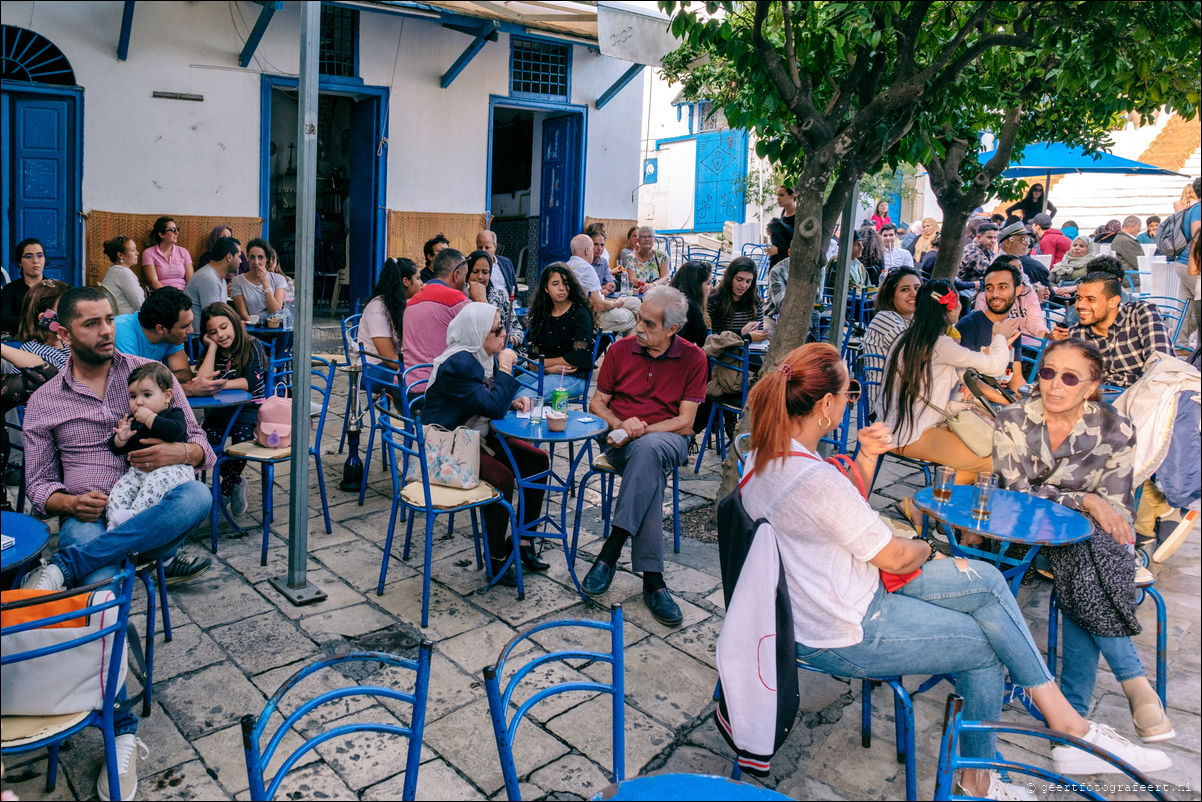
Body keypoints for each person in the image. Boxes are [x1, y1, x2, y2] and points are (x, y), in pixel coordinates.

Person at [739, 343, 1170, 800]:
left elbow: (841, 510)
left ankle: (1066, 728)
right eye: (850, 392)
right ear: (826, 406)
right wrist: (930, 546)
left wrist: (866, 459)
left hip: (827, 598)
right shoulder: (814, 479)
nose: (852, 399)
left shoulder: (766, 456)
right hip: (842, 627)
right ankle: (984, 780)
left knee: (984, 578)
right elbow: (895, 556)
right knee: (985, 646)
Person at [20, 286, 215, 802]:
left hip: (151, 508)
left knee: (196, 495)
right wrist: (67, 502)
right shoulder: (45, 401)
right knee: (103, 596)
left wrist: (180, 449)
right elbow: (37, 487)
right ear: (63, 332)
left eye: (110, 320)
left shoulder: (150, 375)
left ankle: (70, 566)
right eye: (91, 324)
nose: (106, 331)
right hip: (92, 514)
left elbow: (203, 448)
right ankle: (122, 732)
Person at [994, 338, 1175, 743]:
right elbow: (1017, 494)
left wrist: (1091, 507)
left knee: (1083, 555)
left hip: (1089, 544)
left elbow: (1118, 505)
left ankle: (1074, 715)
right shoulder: (1012, 419)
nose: (1055, 385)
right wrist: (1084, 500)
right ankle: (1133, 684)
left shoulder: (1115, 427)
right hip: (1025, 536)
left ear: (1091, 386)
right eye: (1047, 372)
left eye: (1070, 377)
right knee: (1087, 549)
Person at [581, 286, 707, 626]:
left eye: (648, 324)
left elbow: (686, 421)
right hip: (619, 438)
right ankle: (653, 582)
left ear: (672, 329)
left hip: (667, 438)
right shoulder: (620, 350)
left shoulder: (694, 358)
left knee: (649, 452)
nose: (638, 328)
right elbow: (597, 403)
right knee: (647, 468)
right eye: (639, 319)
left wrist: (643, 429)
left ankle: (612, 547)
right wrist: (621, 424)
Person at [422, 303, 550, 582]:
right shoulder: (458, 364)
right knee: (502, 479)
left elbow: (489, 400)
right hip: (445, 449)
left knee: (537, 462)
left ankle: (523, 542)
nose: (504, 334)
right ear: (477, 332)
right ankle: (497, 560)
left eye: (503, 326)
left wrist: (512, 401)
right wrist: (505, 368)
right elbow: (491, 406)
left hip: (477, 440)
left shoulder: (482, 357)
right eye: (497, 329)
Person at [879, 280, 1017, 484]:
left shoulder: (906, 337)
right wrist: (999, 337)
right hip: (913, 435)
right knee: (997, 461)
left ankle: (921, 506)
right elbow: (996, 367)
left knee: (981, 455)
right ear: (951, 307)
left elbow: (964, 367)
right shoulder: (940, 344)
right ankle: (920, 505)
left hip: (896, 427)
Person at [105, 361, 196, 529]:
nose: (138, 402)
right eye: (133, 396)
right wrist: (121, 439)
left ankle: (134, 519)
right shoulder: (134, 422)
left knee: (155, 482)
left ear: (167, 396)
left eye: (146, 395)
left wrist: (149, 418)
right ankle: (114, 523)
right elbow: (117, 449)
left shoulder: (172, 414)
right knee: (120, 489)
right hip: (139, 472)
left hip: (171, 470)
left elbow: (174, 432)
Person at [197, 302, 268, 516]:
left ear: (235, 323)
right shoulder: (214, 350)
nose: (220, 334)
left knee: (241, 443)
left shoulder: (252, 345)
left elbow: (251, 383)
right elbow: (201, 380)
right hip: (218, 410)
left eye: (224, 327)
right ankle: (235, 483)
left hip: (247, 409)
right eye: (212, 332)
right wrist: (211, 347)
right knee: (206, 444)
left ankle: (223, 491)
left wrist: (220, 384)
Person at [1052, 271, 1172, 388]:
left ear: (1113, 302)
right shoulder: (1077, 334)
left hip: (1151, 398)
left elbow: (1162, 365)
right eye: (1078, 298)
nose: (1080, 305)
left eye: (1091, 299)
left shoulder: (1140, 314)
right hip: (1103, 403)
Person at [113, 288, 226, 397]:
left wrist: (151, 379)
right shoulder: (122, 331)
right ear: (161, 329)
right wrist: (191, 389)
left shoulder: (171, 335)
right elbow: (131, 387)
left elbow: (184, 374)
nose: (191, 330)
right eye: (185, 326)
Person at [403, 247, 482, 387]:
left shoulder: (412, 300)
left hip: (405, 388)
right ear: (456, 275)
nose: (466, 282)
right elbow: (489, 332)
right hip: (433, 391)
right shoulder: (454, 298)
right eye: (465, 276)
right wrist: (481, 298)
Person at [518, 263, 595, 401]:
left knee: (524, 398)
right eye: (555, 283)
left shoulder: (581, 313)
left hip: (573, 377)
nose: (561, 288)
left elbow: (577, 358)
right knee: (508, 391)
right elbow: (532, 359)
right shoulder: (542, 313)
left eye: (566, 283)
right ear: (546, 288)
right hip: (546, 372)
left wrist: (542, 364)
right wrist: (549, 369)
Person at [960, 260, 1027, 391]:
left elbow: (1016, 378)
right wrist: (1012, 404)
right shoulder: (968, 325)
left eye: (1002, 287)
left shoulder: (1012, 326)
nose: (995, 294)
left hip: (1005, 399)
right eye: (989, 288)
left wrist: (1028, 401)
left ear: (1017, 290)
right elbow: (969, 379)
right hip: (978, 402)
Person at [861, 268, 921, 408]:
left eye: (917, 288)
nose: (914, 294)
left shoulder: (911, 320)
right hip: (885, 407)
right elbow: (916, 355)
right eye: (905, 289)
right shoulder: (886, 318)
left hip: (904, 399)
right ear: (891, 296)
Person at [358, 257, 421, 383]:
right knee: (416, 382)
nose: (421, 282)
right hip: (371, 367)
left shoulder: (404, 303)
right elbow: (388, 358)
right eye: (418, 278)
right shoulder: (377, 309)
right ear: (406, 281)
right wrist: (416, 368)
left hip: (393, 363)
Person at [566, 234, 636, 336]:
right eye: (593, 246)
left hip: (577, 313)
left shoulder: (566, 266)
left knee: (634, 303)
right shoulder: (587, 268)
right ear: (587, 250)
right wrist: (615, 304)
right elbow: (598, 305)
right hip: (588, 316)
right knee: (632, 318)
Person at [970, 256, 1050, 340]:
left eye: (1020, 268)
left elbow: (1035, 321)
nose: (1019, 272)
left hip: (1027, 339)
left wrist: (1045, 334)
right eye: (1014, 268)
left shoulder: (1028, 292)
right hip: (998, 341)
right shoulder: (987, 296)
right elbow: (983, 327)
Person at [3, 280, 71, 371]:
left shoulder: (63, 343)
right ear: (44, 318)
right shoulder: (37, 353)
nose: (72, 316)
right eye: (64, 311)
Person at [466, 249, 522, 345]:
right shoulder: (462, 299)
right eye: (475, 271)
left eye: (485, 272)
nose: (480, 276)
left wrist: (511, 340)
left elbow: (516, 327)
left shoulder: (499, 296)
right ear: (467, 272)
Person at [1171, 176, 1201, 346]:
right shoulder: (1199, 209)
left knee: (1184, 308)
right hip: (1193, 264)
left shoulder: (1193, 208)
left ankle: (1179, 343)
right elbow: (1198, 234)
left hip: (1185, 263)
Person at [707, 256, 766, 342]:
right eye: (739, 280)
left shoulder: (755, 302)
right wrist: (743, 334)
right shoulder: (714, 301)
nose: (743, 285)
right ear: (730, 277)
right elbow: (711, 338)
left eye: (748, 281)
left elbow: (759, 334)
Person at [184, 236, 240, 325]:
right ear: (229, 256)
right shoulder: (208, 278)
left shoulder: (221, 280)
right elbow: (214, 320)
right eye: (239, 256)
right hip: (199, 337)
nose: (240, 261)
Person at [230, 238, 288, 321]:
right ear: (248, 259)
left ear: (267, 258)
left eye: (260, 257)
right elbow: (243, 313)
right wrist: (256, 327)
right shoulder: (238, 281)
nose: (256, 262)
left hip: (274, 327)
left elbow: (275, 311)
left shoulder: (278, 279)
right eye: (252, 257)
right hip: (251, 328)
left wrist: (265, 283)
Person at [2, 238, 46, 333]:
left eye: (40, 255)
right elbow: (3, 321)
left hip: (52, 342)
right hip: (19, 341)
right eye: (28, 256)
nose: (35, 261)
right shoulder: (10, 290)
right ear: (19, 263)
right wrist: (39, 321)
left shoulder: (55, 288)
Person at [142, 216, 193, 291]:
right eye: (173, 230)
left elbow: (191, 281)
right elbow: (152, 281)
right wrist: (169, 295)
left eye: (177, 229)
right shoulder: (149, 253)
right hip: (161, 294)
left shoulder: (183, 252)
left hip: (183, 294)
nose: (177, 233)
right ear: (161, 234)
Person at [670, 260, 713, 349]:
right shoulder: (690, 307)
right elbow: (704, 342)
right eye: (708, 283)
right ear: (696, 286)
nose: (711, 287)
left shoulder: (672, 297)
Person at [100, 236, 146, 315]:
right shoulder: (123, 273)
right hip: (128, 322)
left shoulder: (113, 271)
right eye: (133, 250)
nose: (137, 253)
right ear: (120, 255)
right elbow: (140, 305)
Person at [997, 222, 1050, 291]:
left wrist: (1036, 288)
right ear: (1008, 243)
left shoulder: (1015, 259)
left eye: (1028, 239)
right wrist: (1036, 290)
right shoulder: (1001, 263)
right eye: (1023, 240)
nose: (1028, 243)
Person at [476, 230, 517, 298]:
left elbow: (516, 292)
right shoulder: (473, 267)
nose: (483, 251)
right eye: (480, 247)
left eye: (487, 247)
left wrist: (516, 305)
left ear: (495, 247)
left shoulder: (506, 263)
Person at [767, 185, 796, 266]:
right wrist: (772, 232)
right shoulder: (784, 213)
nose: (778, 198)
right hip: (777, 260)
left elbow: (796, 242)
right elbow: (782, 235)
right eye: (777, 195)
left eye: (782, 195)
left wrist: (779, 250)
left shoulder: (797, 217)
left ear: (792, 196)